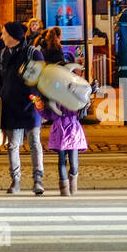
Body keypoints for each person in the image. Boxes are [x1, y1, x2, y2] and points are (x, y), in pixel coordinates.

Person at [0, 21, 46, 194]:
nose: (1, 36)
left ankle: (38, 179)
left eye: (4, 33)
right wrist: (1, 93)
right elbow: (0, 77)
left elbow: (40, 79)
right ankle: (15, 180)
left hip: (30, 105)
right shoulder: (3, 53)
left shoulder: (33, 53)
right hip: (11, 105)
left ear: (13, 37)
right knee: (12, 145)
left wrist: (37, 98)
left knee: (34, 141)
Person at [41, 63, 89, 196]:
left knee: (74, 163)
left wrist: (85, 101)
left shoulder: (73, 91)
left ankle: (73, 186)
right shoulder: (53, 95)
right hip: (60, 131)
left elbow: (80, 109)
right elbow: (49, 115)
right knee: (62, 161)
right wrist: (39, 107)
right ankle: (64, 188)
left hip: (73, 131)